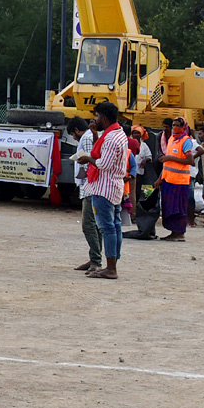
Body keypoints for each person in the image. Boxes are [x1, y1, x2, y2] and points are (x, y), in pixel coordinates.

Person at [73, 101, 129, 279]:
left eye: (97, 116)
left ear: (104, 118)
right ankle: (111, 264)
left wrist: (87, 159)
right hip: (113, 186)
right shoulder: (116, 133)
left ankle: (111, 268)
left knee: (107, 228)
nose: (95, 119)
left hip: (104, 187)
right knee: (115, 226)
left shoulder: (112, 138)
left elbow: (103, 163)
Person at [68, 117, 103, 274]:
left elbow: (92, 160)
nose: (74, 138)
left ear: (76, 130)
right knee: (95, 226)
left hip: (90, 187)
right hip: (89, 186)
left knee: (88, 225)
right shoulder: (89, 137)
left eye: (73, 135)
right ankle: (94, 258)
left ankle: (96, 260)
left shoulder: (87, 138)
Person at [158, 116, 196, 241]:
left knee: (178, 208)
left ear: (184, 127)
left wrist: (170, 158)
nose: (175, 128)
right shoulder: (172, 140)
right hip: (168, 180)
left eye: (178, 126)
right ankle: (173, 232)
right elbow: (167, 163)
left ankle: (179, 233)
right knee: (169, 207)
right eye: (174, 125)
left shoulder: (186, 141)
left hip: (180, 182)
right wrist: (160, 178)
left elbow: (190, 160)